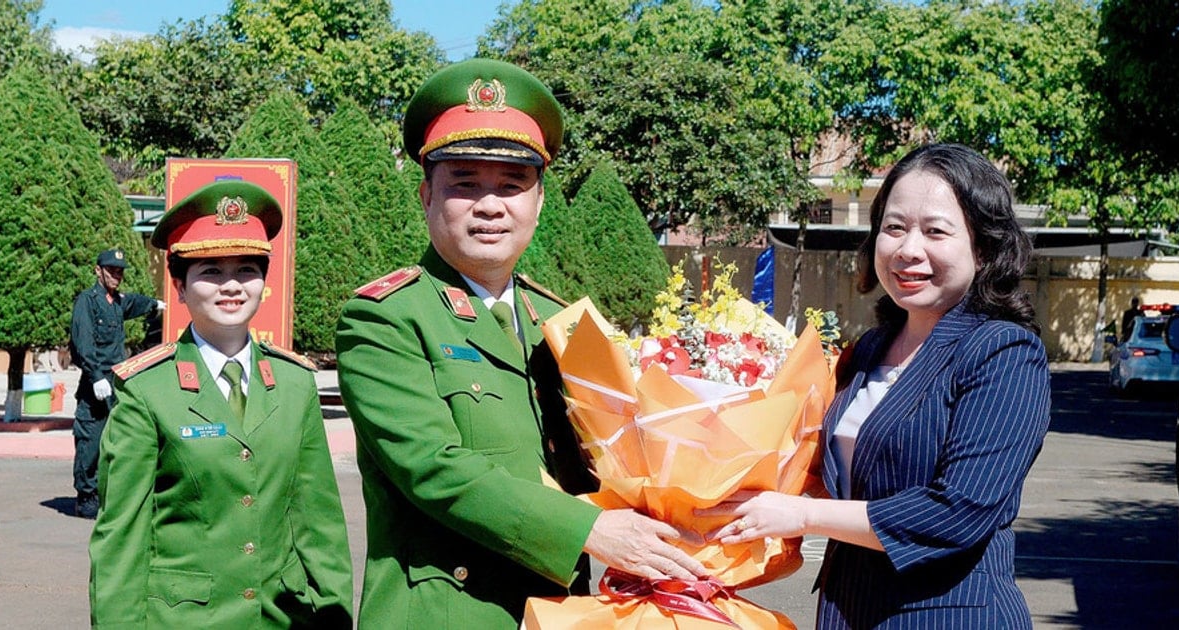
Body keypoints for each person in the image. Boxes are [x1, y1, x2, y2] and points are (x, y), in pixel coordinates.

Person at [335, 58, 706, 629]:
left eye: (512, 186)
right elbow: (433, 468)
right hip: (447, 613)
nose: (490, 205)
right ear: (426, 195)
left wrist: (685, 508)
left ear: (538, 203)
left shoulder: (560, 321)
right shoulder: (385, 318)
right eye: (464, 184)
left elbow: (613, 457)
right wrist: (592, 532)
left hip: (567, 611)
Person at [702, 143, 1051, 628]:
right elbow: (836, 472)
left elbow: (957, 512)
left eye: (935, 231)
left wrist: (800, 516)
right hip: (849, 608)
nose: (909, 249)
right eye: (894, 227)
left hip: (946, 615)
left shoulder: (1003, 353)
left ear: (984, 247)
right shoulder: (867, 350)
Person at [88, 181, 353, 627]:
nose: (231, 286)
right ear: (179, 285)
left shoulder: (294, 383)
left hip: (283, 618)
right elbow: (121, 540)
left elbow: (318, 524)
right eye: (210, 271)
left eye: (247, 270)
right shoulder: (147, 391)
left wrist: (335, 615)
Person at [69, 248, 164, 519]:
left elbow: (134, 302)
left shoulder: (117, 301)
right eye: (111, 271)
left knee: (119, 439)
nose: (116, 276)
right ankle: (86, 496)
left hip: (117, 381)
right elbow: (82, 341)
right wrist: (96, 376)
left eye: (120, 271)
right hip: (94, 382)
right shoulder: (87, 301)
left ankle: (108, 493)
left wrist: (154, 304)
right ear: (98, 271)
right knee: (91, 439)